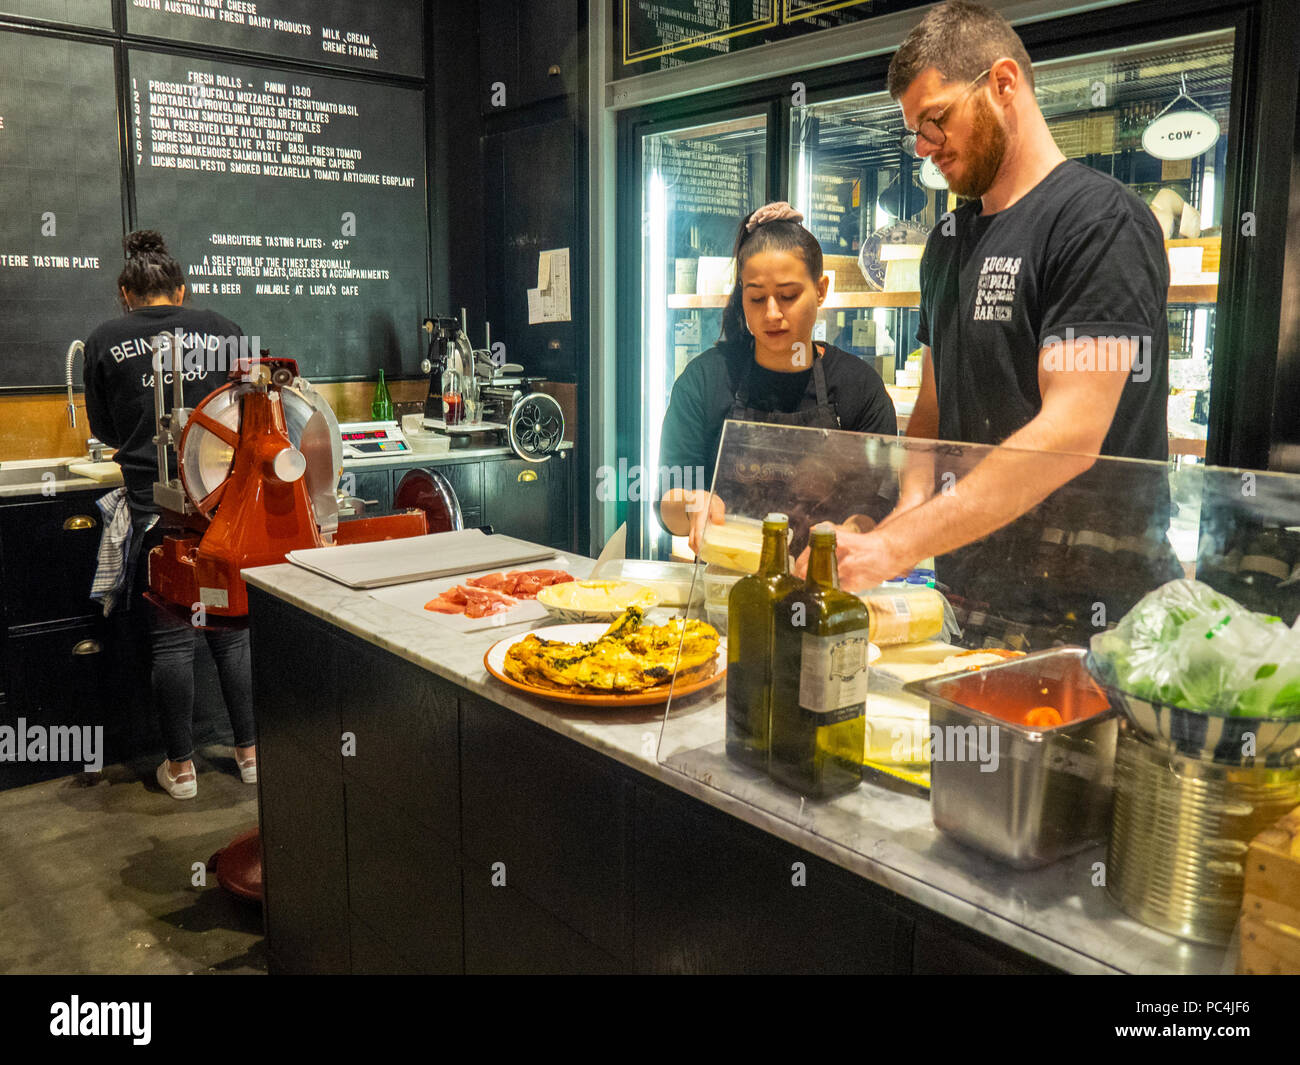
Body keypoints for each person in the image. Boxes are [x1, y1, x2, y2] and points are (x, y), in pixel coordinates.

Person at [816, 1, 1178, 641]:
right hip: (973, 606)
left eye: (936, 120)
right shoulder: (947, 241)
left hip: (1091, 619)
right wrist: (893, 529)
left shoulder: (1099, 221)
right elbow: (932, 415)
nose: (926, 150)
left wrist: (898, 551)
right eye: (916, 133)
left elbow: (1070, 433)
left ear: (1003, 83)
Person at [83, 230, 256, 800]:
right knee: (231, 634)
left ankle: (181, 770)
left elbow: (106, 431)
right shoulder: (228, 331)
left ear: (124, 293)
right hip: (226, 506)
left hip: (154, 509)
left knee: (172, 641)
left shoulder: (105, 340)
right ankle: (250, 756)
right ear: (182, 291)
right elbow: (250, 412)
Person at [658, 202, 898, 554]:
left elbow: (880, 500)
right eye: (756, 298)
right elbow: (667, 502)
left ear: (821, 289)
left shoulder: (857, 386)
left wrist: (850, 532)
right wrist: (693, 503)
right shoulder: (705, 379)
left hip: (829, 583)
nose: (772, 313)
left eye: (788, 296)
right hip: (727, 586)